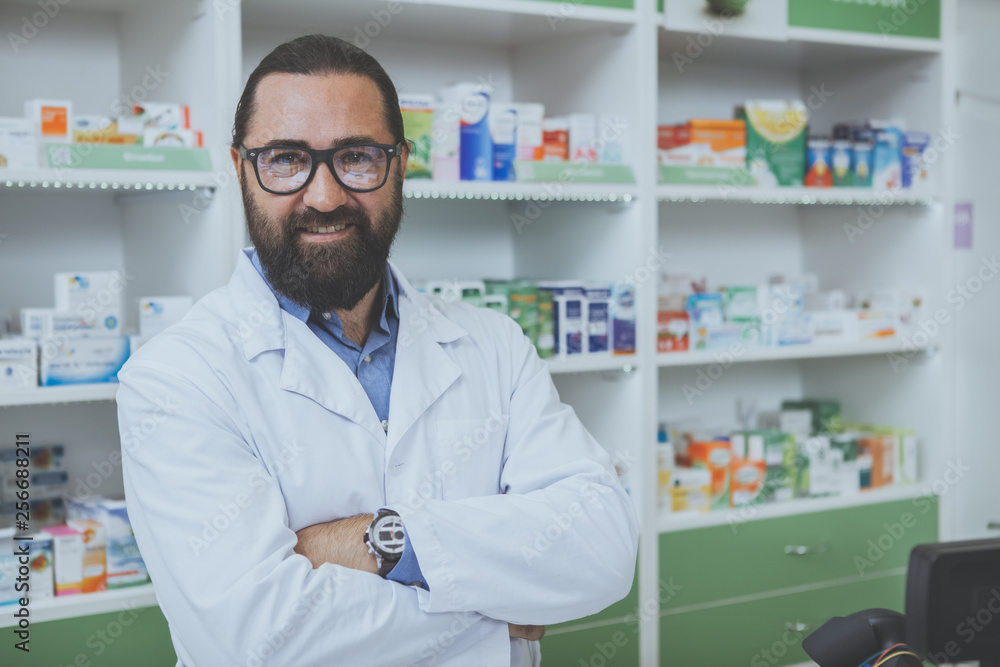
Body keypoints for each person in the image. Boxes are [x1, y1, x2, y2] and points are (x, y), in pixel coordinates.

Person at [116, 34, 638, 667]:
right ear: (239, 169)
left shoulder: (494, 344)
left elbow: (602, 549)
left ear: (401, 163)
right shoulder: (175, 378)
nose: (325, 195)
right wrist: (497, 616)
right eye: (285, 158)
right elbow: (253, 637)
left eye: (357, 156)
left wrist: (378, 542)